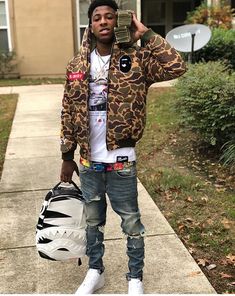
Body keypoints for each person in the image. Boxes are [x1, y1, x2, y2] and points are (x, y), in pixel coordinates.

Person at [60, 0, 186, 294]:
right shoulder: (77, 65)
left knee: (131, 224)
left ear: (119, 23)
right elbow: (67, 110)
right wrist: (67, 155)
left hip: (122, 161)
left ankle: (135, 278)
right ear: (90, 25)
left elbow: (177, 66)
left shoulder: (138, 59)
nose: (103, 22)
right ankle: (95, 272)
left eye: (110, 17)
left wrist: (146, 35)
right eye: (97, 18)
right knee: (93, 222)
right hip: (89, 162)